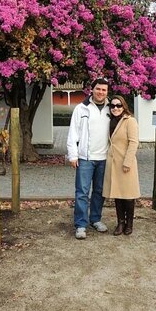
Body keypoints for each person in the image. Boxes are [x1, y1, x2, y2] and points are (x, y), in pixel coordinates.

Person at [67, 78, 111, 240]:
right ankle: (80, 224)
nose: (101, 92)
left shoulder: (111, 108)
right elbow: (73, 133)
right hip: (85, 157)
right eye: (98, 89)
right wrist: (73, 155)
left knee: (100, 191)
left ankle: (95, 219)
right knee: (82, 192)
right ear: (92, 90)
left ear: (107, 92)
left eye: (104, 90)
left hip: (105, 157)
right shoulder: (81, 108)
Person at [102, 95, 140, 236]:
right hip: (113, 163)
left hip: (126, 163)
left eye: (118, 105)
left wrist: (127, 162)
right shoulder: (110, 121)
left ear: (124, 106)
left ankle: (129, 224)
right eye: (113, 106)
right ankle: (120, 223)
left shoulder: (130, 121)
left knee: (128, 196)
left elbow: (133, 142)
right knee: (118, 194)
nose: (115, 108)